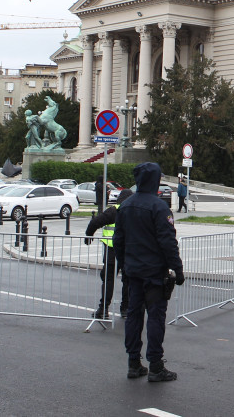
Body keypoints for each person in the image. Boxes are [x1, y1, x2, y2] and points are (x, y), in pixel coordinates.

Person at [113, 162, 184, 382]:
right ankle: (155, 365)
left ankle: (133, 363)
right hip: (154, 274)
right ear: (155, 180)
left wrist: (124, 264)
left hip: (133, 273)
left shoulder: (126, 205)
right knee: (155, 318)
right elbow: (167, 242)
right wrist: (178, 269)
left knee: (134, 317)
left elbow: (118, 241)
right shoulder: (158, 207)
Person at [85, 189, 134, 320]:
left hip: (112, 250)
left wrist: (89, 234)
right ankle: (125, 309)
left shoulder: (113, 211)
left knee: (108, 280)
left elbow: (95, 222)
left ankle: (103, 309)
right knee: (127, 280)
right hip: (128, 251)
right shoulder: (133, 211)